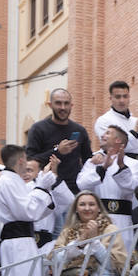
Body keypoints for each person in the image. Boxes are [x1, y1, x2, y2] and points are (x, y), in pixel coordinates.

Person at [0, 144, 60, 276]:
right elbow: (27, 211)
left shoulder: (15, 181)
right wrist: (42, 187)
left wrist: (44, 186)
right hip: (16, 241)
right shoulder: (7, 182)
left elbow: (36, 212)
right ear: (21, 159)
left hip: (24, 240)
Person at [25, 88, 92, 220]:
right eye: (58, 103)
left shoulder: (80, 130)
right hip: (47, 194)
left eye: (66, 103)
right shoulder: (38, 129)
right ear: (50, 105)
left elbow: (87, 160)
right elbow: (31, 161)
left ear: (71, 105)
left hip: (73, 193)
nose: (63, 107)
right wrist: (57, 151)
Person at [77, 126, 138, 250]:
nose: (102, 136)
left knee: (122, 256)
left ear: (118, 140)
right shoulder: (93, 161)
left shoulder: (132, 163)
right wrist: (102, 168)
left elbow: (134, 188)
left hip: (123, 220)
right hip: (97, 218)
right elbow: (82, 185)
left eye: (108, 133)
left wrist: (121, 167)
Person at [93, 80, 138, 162]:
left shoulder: (137, 121)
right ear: (111, 98)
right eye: (118, 97)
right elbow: (111, 146)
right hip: (118, 167)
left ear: (129, 97)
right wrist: (134, 132)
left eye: (125, 96)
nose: (122, 100)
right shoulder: (104, 121)